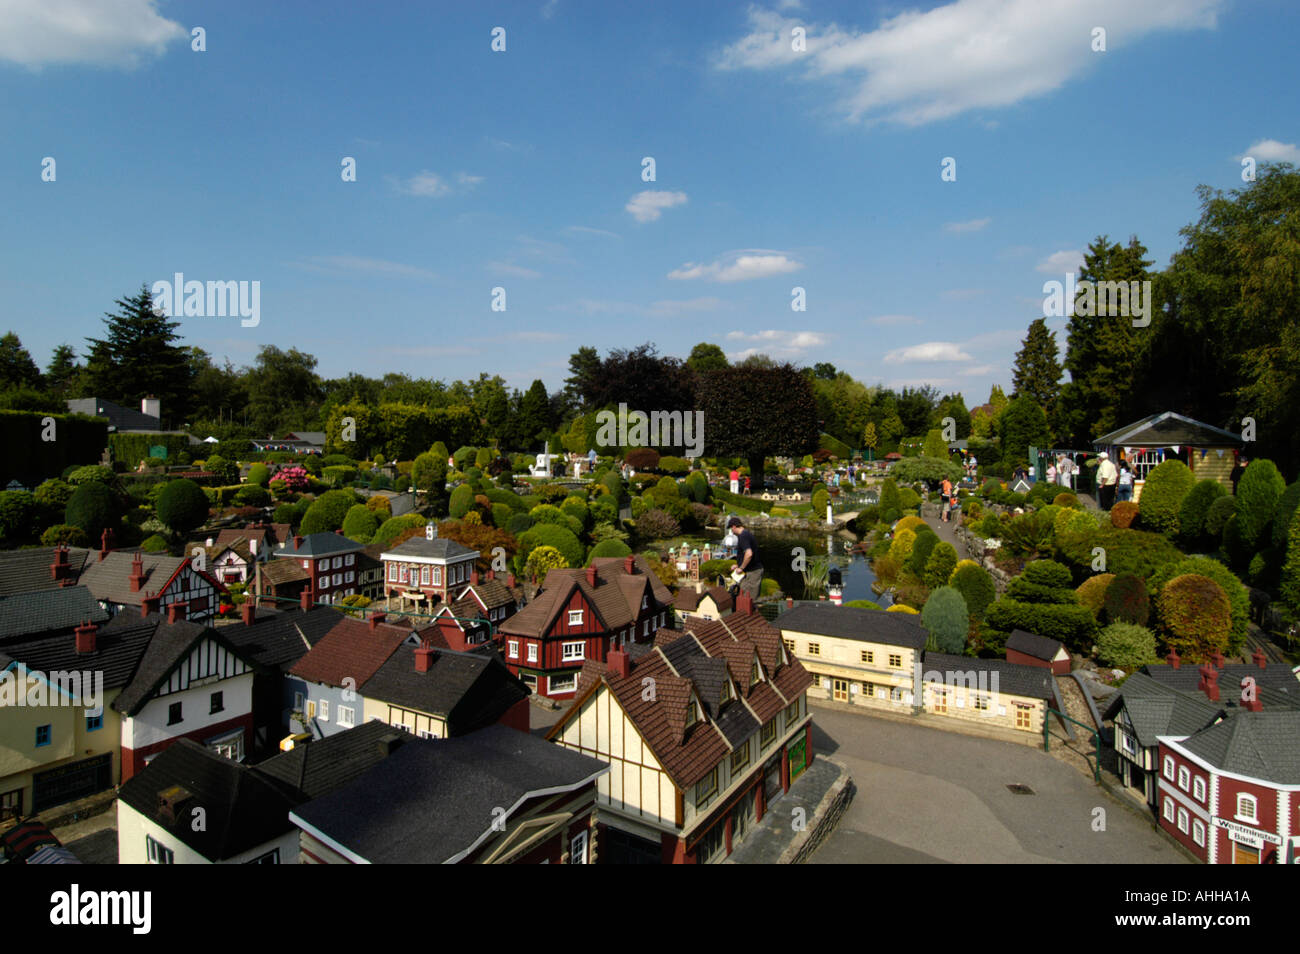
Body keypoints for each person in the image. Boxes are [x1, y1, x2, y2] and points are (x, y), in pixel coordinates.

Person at [728, 516, 763, 600]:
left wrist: (741, 567)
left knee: (749, 600)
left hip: (753, 572)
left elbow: (749, 554)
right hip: (750, 571)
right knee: (743, 595)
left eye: (731, 528)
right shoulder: (745, 534)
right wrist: (738, 564)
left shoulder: (743, 536)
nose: (731, 531)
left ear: (734, 526)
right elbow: (746, 555)